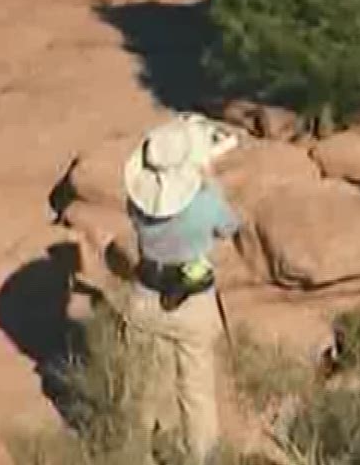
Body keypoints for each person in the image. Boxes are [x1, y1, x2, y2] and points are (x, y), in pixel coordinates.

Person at [122, 114, 242, 465]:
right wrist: (211, 181)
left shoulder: (138, 203)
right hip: (192, 302)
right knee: (197, 392)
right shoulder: (205, 203)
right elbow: (229, 227)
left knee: (142, 389)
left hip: (145, 296)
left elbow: (154, 201)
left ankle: (136, 456)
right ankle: (201, 459)